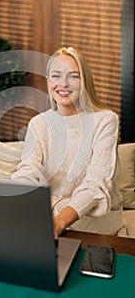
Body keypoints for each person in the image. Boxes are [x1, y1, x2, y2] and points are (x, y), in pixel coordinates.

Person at [11, 46, 126, 239]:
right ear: (48, 81)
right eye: (56, 76)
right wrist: (22, 194)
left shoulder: (106, 120)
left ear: (85, 81)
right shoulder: (38, 123)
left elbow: (96, 184)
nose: (63, 84)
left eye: (73, 76)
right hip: (52, 214)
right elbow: (27, 170)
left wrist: (59, 222)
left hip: (93, 216)